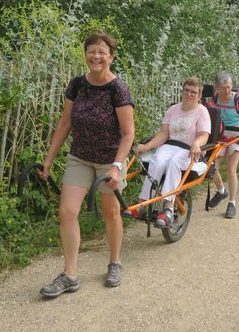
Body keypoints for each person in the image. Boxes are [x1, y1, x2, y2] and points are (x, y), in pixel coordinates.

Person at [39, 33, 135, 298]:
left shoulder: (118, 89)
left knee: (111, 214)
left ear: (111, 57)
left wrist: (117, 166)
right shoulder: (77, 85)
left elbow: (128, 133)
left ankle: (114, 263)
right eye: (92, 51)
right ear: (85, 54)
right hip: (80, 156)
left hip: (109, 161)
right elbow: (65, 123)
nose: (96, 56)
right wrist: (48, 159)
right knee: (67, 211)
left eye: (102, 52)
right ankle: (70, 274)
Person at [134, 77, 211, 227]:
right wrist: (147, 146)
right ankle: (142, 203)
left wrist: (196, 143)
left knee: (174, 163)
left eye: (193, 92)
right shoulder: (173, 109)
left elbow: (204, 135)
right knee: (157, 160)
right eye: (186, 90)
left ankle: (168, 207)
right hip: (170, 145)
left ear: (199, 95)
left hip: (190, 149)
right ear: (182, 91)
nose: (189, 94)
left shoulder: (202, 112)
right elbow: (163, 134)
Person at [207, 72, 239, 219]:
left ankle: (232, 203)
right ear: (217, 88)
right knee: (211, 168)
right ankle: (222, 191)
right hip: (220, 137)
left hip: (237, 137)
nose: (226, 91)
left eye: (228, 87)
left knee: (231, 169)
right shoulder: (215, 98)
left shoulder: (238, 98)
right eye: (222, 88)